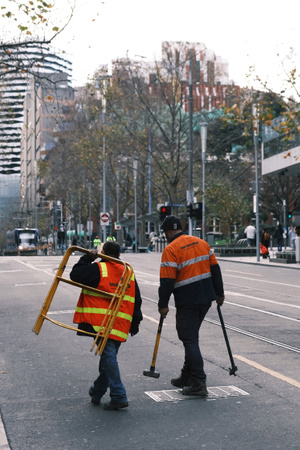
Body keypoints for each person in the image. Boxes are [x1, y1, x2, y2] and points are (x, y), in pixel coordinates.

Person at [70, 241, 143, 411]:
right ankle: (97, 391)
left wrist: (88, 257)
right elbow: (136, 298)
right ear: (119, 255)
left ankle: (119, 395)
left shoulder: (99, 269)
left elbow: (75, 274)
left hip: (101, 323)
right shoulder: (127, 271)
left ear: (102, 252)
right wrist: (135, 322)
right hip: (121, 322)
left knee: (108, 357)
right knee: (108, 358)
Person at [158, 215, 225, 397]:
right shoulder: (202, 243)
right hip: (206, 299)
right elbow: (215, 270)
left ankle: (198, 381)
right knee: (192, 337)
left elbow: (167, 280)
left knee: (188, 339)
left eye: (165, 233)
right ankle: (186, 375)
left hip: (188, 300)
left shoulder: (171, 249)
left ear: (169, 232)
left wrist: (163, 304)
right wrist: (220, 293)